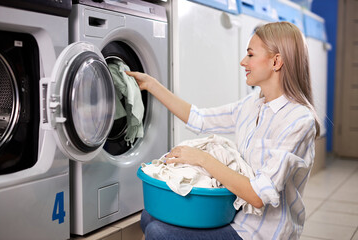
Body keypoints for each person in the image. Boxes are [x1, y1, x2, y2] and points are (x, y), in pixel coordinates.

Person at [126, 21, 320, 240]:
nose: (242, 62)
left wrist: (202, 159)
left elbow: (257, 196)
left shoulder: (298, 120)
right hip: (234, 217)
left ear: (276, 61)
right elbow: (199, 117)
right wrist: (152, 85)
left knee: (157, 232)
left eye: (250, 55)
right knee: (148, 218)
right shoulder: (253, 104)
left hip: (263, 234)